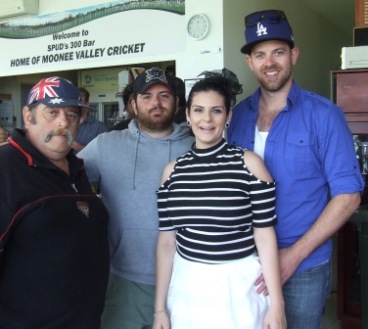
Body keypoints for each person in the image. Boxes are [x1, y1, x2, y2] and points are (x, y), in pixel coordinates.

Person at [227, 10, 364, 329]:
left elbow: (349, 195)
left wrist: (295, 254)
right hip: (246, 263)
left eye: (278, 52)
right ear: (250, 62)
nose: (269, 62)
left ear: (294, 55)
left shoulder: (324, 115)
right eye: (260, 54)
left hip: (303, 266)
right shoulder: (236, 117)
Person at [153, 72, 286, 329]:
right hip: (187, 288)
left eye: (216, 111)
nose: (207, 119)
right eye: (199, 110)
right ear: (188, 115)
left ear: (228, 116)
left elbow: (265, 235)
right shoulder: (172, 172)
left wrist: (277, 306)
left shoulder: (249, 164)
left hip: (239, 288)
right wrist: (159, 309)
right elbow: (167, 242)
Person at [77, 67, 194, 329]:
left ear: (177, 102)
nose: (156, 103)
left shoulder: (196, 147)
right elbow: (62, 179)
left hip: (185, 280)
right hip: (123, 280)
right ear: (133, 104)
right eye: (147, 96)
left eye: (165, 95)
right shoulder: (106, 144)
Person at [0, 76, 110, 329]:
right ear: (28, 116)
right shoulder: (6, 168)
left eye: (72, 114)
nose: (63, 121)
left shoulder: (76, 168)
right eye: (52, 112)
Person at [72, 87, 108, 152]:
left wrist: (80, 148)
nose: (77, 106)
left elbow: (106, 153)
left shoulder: (99, 127)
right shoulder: (65, 124)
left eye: (80, 102)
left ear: (87, 104)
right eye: (75, 102)